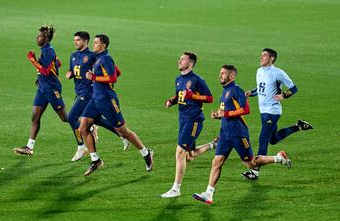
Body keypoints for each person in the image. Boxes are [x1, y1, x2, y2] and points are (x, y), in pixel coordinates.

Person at [193, 64, 292, 205]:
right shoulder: (225, 91)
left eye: (223, 73)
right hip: (225, 134)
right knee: (216, 162)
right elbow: (227, 113)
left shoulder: (236, 90)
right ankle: (209, 194)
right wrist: (218, 116)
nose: (220, 75)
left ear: (231, 76)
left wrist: (225, 114)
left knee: (251, 163)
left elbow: (245, 109)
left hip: (239, 134)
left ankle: (278, 158)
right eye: (220, 73)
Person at [79, 34, 153, 176]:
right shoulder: (99, 58)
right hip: (95, 100)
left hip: (107, 100)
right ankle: (96, 160)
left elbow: (113, 78)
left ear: (103, 46)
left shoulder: (105, 58)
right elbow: (117, 72)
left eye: (95, 43)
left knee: (122, 131)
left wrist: (93, 77)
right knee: (83, 128)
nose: (93, 45)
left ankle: (146, 152)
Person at [241, 48, 313, 180]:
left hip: (273, 111)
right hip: (263, 111)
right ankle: (299, 126)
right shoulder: (259, 71)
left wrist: (284, 95)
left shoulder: (277, 73)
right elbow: (260, 88)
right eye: (261, 55)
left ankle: (255, 171)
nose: (261, 57)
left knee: (263, 138)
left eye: (264, 55)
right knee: (273, 139)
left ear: (271, 58)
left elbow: (293, 88)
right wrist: (251, 92)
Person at [160, 52, 216, 198]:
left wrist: (194, 96)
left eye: (183, 59)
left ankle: (176, 188)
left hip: (194, 121)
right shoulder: (179, 79)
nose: (179, 60)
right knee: (189, 155)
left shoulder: (197, 80)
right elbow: (180, 95)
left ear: (190, 63)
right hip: (183, 120)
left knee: (179, 153)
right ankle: (212, 145)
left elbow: (210, 98)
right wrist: (172, 101)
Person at [66, 31, 129, 161]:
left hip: (89, 93)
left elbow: (115, 72)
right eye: (74, 40)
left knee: (72, 117)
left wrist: (100, 80)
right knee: (96, 119)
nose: (75, 42)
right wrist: (70, 73)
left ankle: (81, 146)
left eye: (78, 40)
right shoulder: (73, 56)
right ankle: (122, 134)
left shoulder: (93, 56)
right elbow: (73, 69)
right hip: (79, 92)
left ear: (85, 41)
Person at [14, 25, 67, 156]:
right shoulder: (45, 50)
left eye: (40, 36)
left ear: (47, 38)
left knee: (65, 118)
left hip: (52, 89)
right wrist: (40, 78)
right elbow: (58, 63)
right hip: (43, 88)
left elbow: (45, 70)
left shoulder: (48, 50)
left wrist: (32, 59)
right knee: (35, 116)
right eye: (37, 36)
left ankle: (89, 127)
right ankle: (29, 147)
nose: (37, 38)